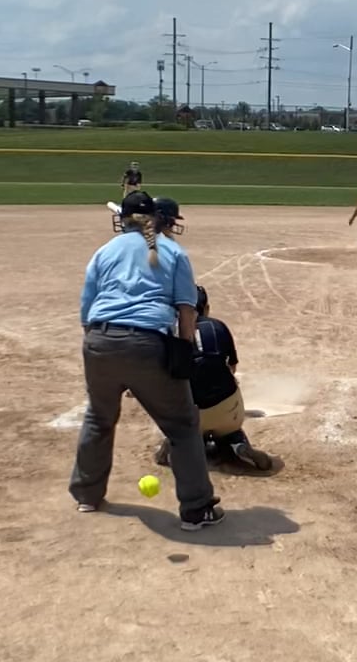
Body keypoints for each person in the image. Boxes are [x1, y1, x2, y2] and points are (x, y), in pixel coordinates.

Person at [71, 191, 224, 530]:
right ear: (154, 218)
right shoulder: (171, 251)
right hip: (148, 342)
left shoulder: (104, 251)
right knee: (182, 426)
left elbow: (86, 311)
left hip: (98, 340)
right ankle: (197, 509)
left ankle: (87, 496)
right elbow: (187, 310)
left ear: (121, 220)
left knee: (98, 418)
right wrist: (184, 350)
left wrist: (104, 351)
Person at [156, 285, 275, 472]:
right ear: (206, 308)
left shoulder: (167, 334)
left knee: (176, 402)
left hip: (191, 416)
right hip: (228, 409)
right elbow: (232, 368)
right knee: (229, 426)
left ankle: (174, 442)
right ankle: (239, 445)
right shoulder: (218, 326)